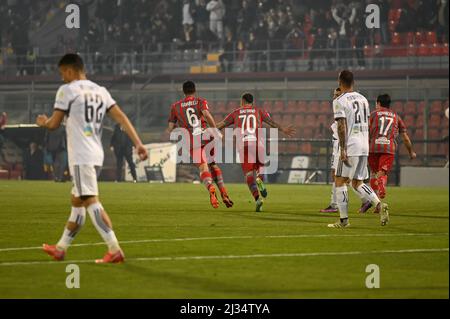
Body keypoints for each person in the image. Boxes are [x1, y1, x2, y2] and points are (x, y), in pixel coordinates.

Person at [36, 53, 148, 264]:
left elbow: (54, 124)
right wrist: (138, 143)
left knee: (90, 201)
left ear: (70, 70)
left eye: (63, 73)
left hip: (80, 155)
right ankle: (61, 248)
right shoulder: (101, 91)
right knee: (77, 202)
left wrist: (43, 121)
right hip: (96, 154)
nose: (62, 78)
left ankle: (114, 248)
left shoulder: (67, 90)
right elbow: (121, 117)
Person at [329, 70, 389, 228]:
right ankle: (378, 204)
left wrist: (342, 149)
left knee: (340, 180)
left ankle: (343, 220)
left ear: (339, 81)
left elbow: (341, 126)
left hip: (350, 145)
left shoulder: (339, 100)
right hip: (364, 144)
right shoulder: (363, 99)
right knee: (357, 182)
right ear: (353, 82)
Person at [217, 93, 295, 212]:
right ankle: (260, 178)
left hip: (243, 147)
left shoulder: (235, 112)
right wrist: (283, 129)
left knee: (249, 176)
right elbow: (271, 122)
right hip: (258, 144)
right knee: (260, 168)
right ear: (252, 102)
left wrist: (206, 129)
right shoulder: (259, 110)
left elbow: (220, 125)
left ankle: (258, 199)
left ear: (242, 101)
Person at [167, 80, 233, 209]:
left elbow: (170, 128)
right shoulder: (200, 101)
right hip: (206, 135)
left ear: (183, 91)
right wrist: (215, 130)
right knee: (213, 164)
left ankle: (210, 188)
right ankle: (224, 193)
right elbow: (207, 115)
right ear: (195, 90)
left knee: (203, 168)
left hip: (192, 140)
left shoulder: (175, 106)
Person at [320, 88, 369, 213]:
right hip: (350, 145)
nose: (334, 97)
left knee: (339, 176)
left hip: (343, 146)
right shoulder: (342, 108)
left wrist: (343, 149)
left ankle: (336, 205)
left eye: (337, 94)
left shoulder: (343, 107)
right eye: (333, 95)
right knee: (348, 178)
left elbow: (343, 128)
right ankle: (367, 199)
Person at [368, 94, 416, 199]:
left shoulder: (372, 115)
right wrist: (411, 152)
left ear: (378, 103)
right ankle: (381, 186)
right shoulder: (396, 116)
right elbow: (405, 137)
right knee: (382, 172)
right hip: (388, 148)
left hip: (373, 148)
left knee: (373, 173)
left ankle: (375, 201)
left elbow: (365, 131)